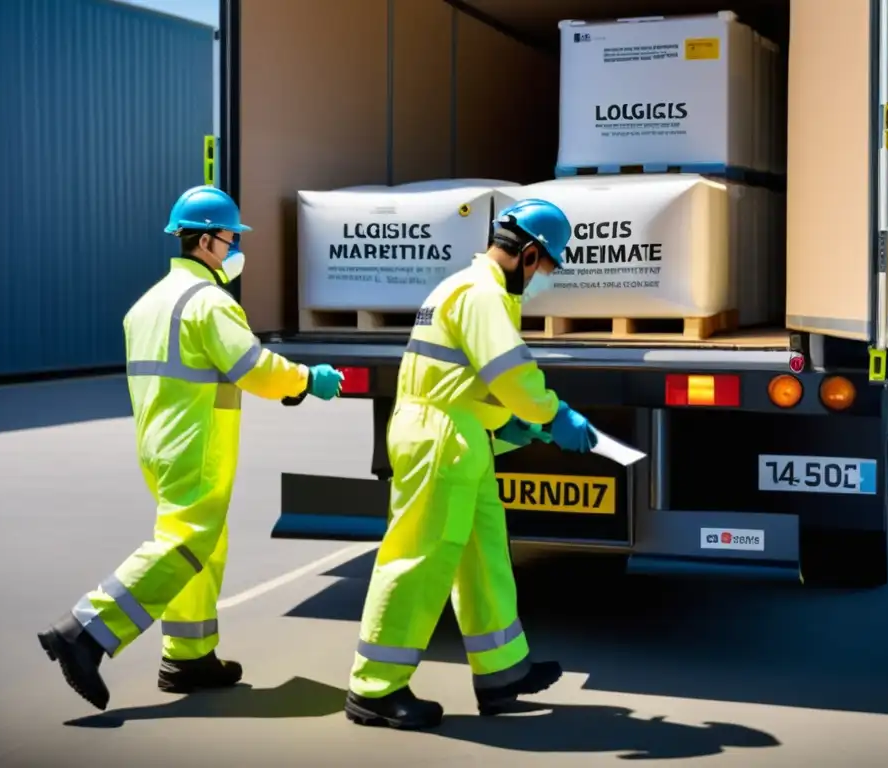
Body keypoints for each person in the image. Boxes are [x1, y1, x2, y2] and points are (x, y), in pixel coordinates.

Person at [37, 185, 345, 711]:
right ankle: (85, 632)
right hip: (198, 444)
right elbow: (255, 369)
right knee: (184, 547)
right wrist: (305, 380)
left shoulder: (146, 305)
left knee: (202, 545)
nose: (232, 251)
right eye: (228, 240)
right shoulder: (208, 303)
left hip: (158, 444)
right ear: (205, 242)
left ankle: (188, 657)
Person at [344, 199, 598, 730]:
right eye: (547, 267)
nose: (544, 279)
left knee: (484, 554)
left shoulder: (465, 288)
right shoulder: (482, 294)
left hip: (458, 431)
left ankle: (502, 671)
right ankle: (375, 687)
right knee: (418, 559)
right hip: (441, 437)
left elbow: (462, 375)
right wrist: (554, 415)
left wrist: (500, 422)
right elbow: (513, 373)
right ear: (528, 254)